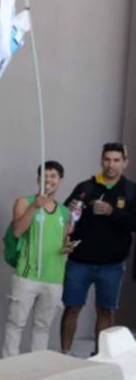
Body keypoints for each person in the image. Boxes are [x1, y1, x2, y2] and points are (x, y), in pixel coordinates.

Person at [61, 143, 136, 353]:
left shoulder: (131, 191)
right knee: (72, 307)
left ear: (125, 163)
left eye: (116, 160)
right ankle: (65, 354)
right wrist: (71, 210)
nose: (111, 165)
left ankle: (101, 355)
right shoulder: (85, 187)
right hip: (79, 261)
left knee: (105, 310)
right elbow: (64, 216)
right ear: (101, 160)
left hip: (112, 264)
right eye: (107, 159)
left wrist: (113, 212)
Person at [4, 161, 70, 357]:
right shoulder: (24, 202)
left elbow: (62, 242)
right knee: (16, 323)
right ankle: (9, 365)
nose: (48, 180)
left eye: (53, 176)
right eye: (45, 176)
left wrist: (67, 247)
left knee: (43, 327)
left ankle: (36, 366)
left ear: (60, 180)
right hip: (28, 274)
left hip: (54, 278)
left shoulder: (64, 211)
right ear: (38, 179)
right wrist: (34, 207)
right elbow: (17, 231)